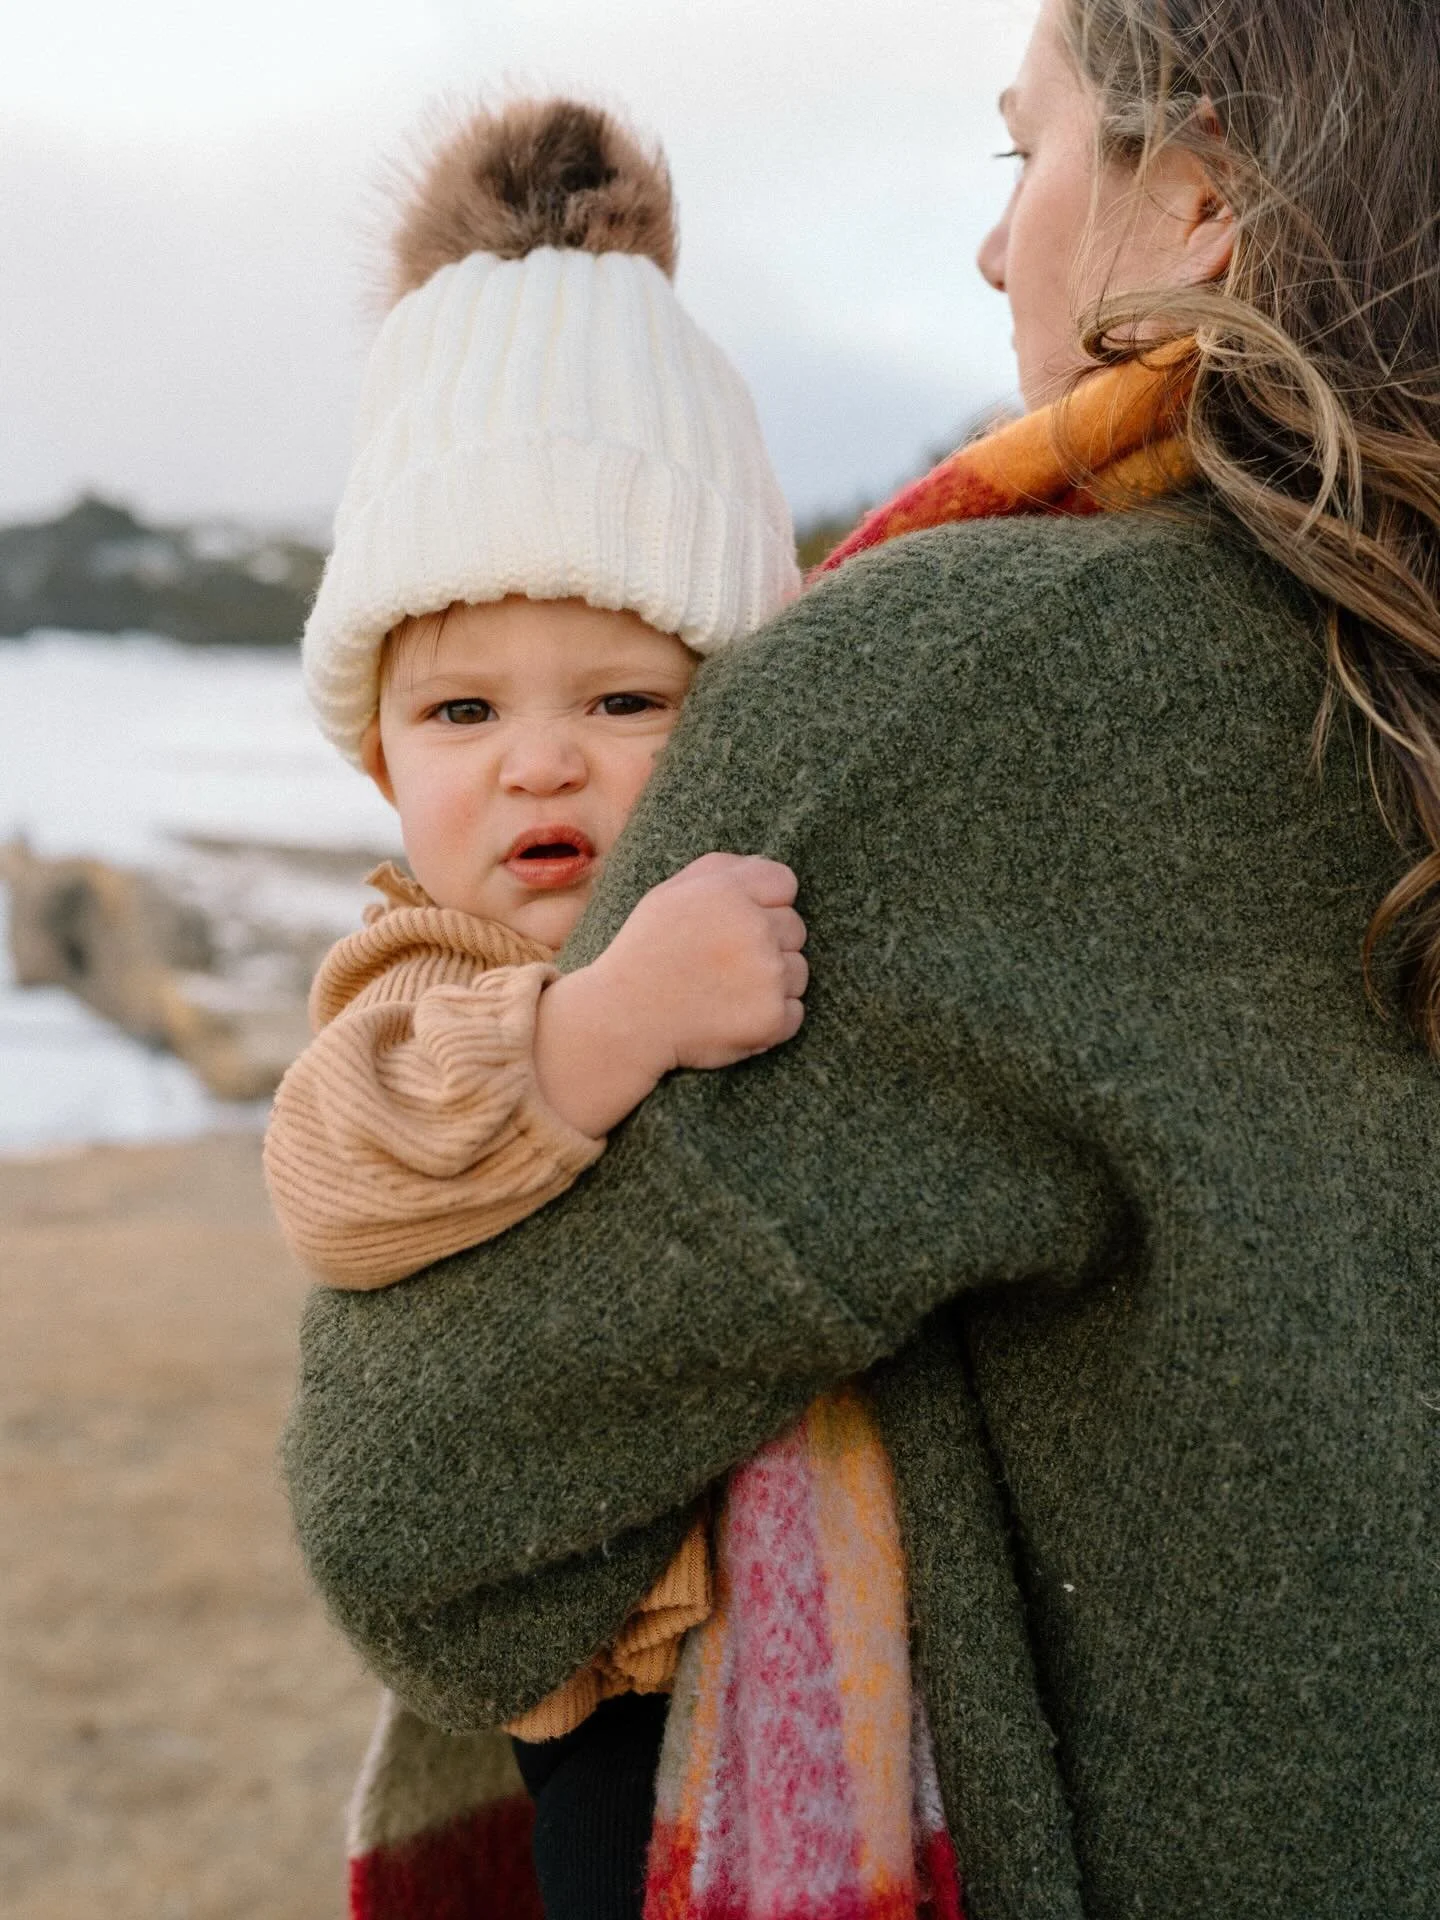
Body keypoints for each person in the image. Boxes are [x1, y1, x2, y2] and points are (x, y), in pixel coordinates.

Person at [285, 2, 1440, 1915]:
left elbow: (411, 1516)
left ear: (1205, 188)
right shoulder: (1373, 680)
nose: (997, 245)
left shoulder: (975, 699)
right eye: (461, 708)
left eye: (1027, 153)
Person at [268, 96, 955, 1920]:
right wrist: (608, 1026)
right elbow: (337, 1164)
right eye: (463, 713)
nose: (542, 761)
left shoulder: (776, 899)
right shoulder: (434, 968)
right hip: (606, 1676)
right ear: (380, 754)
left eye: (629, 700)